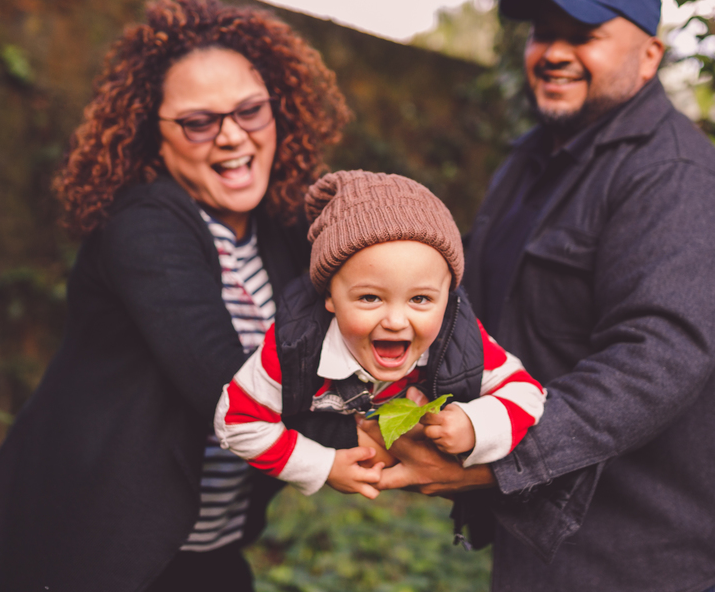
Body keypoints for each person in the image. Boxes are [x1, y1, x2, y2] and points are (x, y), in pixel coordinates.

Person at [374, 0, 715, 592]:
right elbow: (472, 310)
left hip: (662, 560)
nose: (554, 52)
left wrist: (501, 454)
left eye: (583, 34)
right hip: (570, 540)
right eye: (543, 33)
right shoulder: (534, 163)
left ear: (649, 57)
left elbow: (656, 359)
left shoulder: (679, 180)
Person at [0, 0, 350, 592]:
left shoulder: (280, 232)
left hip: (201, 548)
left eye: (250, 110)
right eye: (198, 122)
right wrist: (344, 449)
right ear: (153, 134)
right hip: (91, 551)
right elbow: (225, 387)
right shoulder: (145, 226)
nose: (232, 136)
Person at [213, 170, 545, 500]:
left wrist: (478, 426)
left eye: (420, 299)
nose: (396, 321)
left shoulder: (460, 337)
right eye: (370, 297)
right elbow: (237, 420)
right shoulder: (295, 345)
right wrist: (322, 465)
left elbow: (526, 393)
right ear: (330, 296)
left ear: (447, 296)